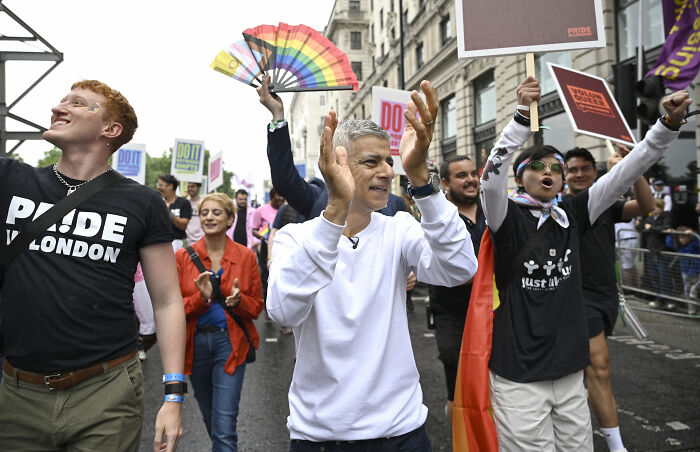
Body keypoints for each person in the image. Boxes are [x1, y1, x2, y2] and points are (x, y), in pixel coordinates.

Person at [479, 76, 689, 451]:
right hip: (519, 376)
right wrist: (519, 120)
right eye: (537, 166)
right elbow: (489, 180)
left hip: (570, 369)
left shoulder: (575, 213)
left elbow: (629, 168)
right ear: (520, 177)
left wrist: (666, 126)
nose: (549, 172)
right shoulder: (505, 216)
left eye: (557, 169)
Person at [268, 80, 477, 450]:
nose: (387, 172)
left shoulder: (400, 229)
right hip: (320, 438)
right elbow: (284, 311)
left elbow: (460, 267)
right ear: (339, 165)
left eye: (389, 161)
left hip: (401, 434)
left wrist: (421, 178)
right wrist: (335, 210)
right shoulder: (293, 238)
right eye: (371, 162)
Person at [0, 80, 185, 451]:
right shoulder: (11, 180)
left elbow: (166, 300)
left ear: (110, 130)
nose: (59, 107)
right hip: (16, 394)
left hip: (106, 394)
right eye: (61, 101)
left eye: (78, 103)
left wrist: (173, 397)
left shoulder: (143, 202)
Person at [564, 145, 654, 452]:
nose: (578, 174)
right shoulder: (566, 206)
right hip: (578, 298)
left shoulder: (608, 205)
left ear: (595, 172)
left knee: (591, 370)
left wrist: (634, 165)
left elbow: (646, 205)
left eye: (584, 168)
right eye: (572, 169)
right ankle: (617, 447)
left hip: (606, 297)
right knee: (599, 368)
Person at [176, 192, 264, 452]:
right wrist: (200, 299)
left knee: (224, 427)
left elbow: (258, 306)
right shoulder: (183, 256)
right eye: (204, 213)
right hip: (196, 344)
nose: (209, 217)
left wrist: (240, 302)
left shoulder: (246, 256)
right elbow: (172, 309)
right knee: (210, 417)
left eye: (216, 212)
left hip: (231, 344)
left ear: (229, 219)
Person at [428, 154, 486, 426]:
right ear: (445, 183)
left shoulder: (492, 211)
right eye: (462, 175)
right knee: (458, 379)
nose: (471, 179)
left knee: (492, 380)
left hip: (492, 310)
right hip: (451, 312)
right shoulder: (440, 220)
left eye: (473, 173)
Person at [636, 199, 673, 309]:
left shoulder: (666, 217)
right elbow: (640, 227)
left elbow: (666, 228)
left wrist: (651, 228)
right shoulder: (649, 218)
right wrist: (640, 224)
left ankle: (667, 299)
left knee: (664, 275)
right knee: (653, 275)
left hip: (662, 250)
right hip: (650, 250)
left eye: (656, 207)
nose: (653, 209)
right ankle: (660, 297)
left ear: (661, 208)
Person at [251, 187, 284, 302]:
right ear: (271, 196)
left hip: (284, 248)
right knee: (266, 276)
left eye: (282, 196)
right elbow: (253, 230)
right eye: (278, 195)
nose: (280, 198)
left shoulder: (287, 209)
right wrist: (264, 236)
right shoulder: (261, 210)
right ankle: (266, 304)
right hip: (266, 247)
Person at [156, 173, 192, 250]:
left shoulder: (184, 202)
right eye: (158, 185)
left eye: (160, 185)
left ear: (170, 186)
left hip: (178, 243)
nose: (157, 187)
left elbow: (183, 226)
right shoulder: (157, 203)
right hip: (160, 244)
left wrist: (169, 213)